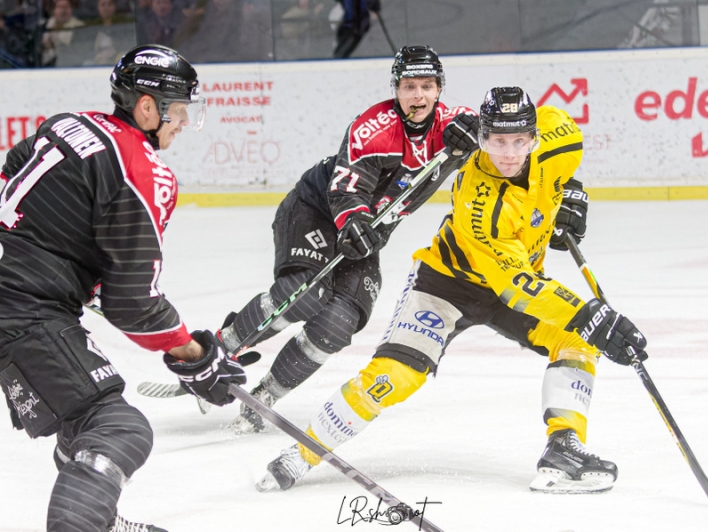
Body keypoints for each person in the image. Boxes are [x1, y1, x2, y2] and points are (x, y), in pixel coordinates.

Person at [255, 86, 648, 494]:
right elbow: (517, 286)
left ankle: (563, 448)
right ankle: (302, 453)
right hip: (447, 286)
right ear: (481, 139)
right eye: (497, 142)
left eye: (519, 141)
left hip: (514, 283)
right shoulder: (479, 200)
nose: (509, 153)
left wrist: (569, 194)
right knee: (395, 376)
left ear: (535, 136)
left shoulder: (561, 137)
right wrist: (590, 316)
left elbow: (559, 173)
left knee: (575, 342)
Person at [0, 44, 245, 532]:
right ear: (147, 106)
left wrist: (65, 264)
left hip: (21, 290)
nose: (182, 121)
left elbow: (13, 173)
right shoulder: (145, 170)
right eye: (178, 109)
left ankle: (99, 519)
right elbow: (133, 302)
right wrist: (194, 355)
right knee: (117, 427)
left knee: (81, 420)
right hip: (23, 305)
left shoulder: (71, 123)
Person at [218, 44, 478, 434]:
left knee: (338, 323)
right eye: (409, 86)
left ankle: (265, 395)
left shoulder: (453, 128)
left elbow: (503, 136)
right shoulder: (373, 128)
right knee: (306, 293)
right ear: (396, 89)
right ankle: (222, 348)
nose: (418, 96)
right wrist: (355, 220)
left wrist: (480, 129)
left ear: (440, 89)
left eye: (427, 85)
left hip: (367, 234)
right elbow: (347, 189)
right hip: (318, 209)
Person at [41, 0, 85, 66]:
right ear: (54, 11)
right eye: (60, 7)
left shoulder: (80, 27)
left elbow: (80, 53)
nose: (63, 11)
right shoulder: (45, 26)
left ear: (71, 10)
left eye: (66, 7)